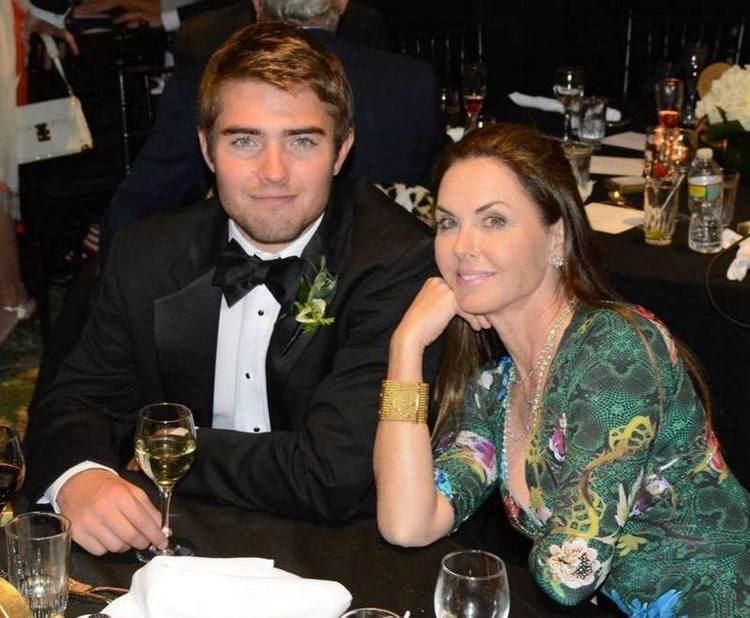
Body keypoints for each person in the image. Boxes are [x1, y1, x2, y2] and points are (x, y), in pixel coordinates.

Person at [23, 21, 437, 557]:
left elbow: (333, 474)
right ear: (206, 148)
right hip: (173, 545)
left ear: (341, 151)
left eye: (302, 141)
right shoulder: (147, 252)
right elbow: (73, 399)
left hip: (337, 556)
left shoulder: (396, 261)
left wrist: (150, 448)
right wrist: (79, 477)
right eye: (244, 140)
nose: (273, 172)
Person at [373, 124, 750, 615]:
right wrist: (405, 348)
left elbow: (571, 574)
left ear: (557, 237)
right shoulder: (498, 386)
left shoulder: (617, 351)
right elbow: (407, 522)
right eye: (447, 223)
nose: (462, 246)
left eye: (493, 221)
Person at [97, 0, 441, 261]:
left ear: (257, 4)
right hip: (387, 279)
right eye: (245, 141)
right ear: (341, 4)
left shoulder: (201, 86)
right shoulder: (412, 80)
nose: (275, 171)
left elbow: (133, 214)